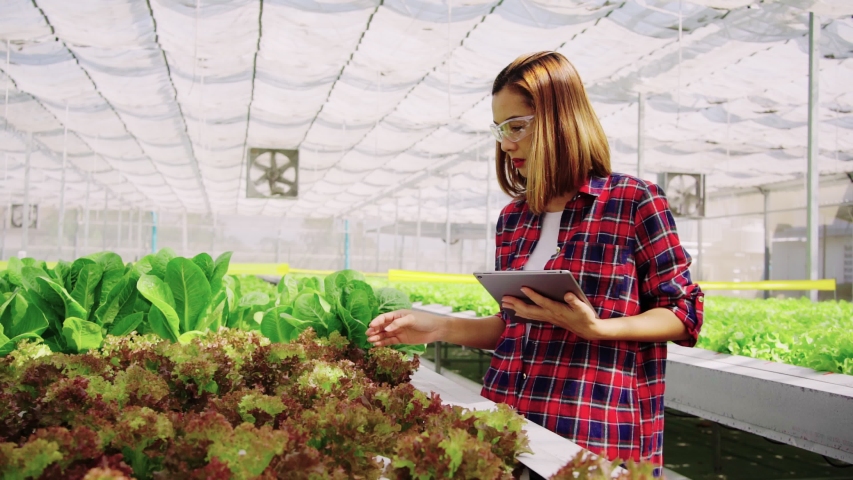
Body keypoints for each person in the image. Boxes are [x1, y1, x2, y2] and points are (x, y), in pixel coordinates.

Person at [366, 51, 704, 476]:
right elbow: (515, 327)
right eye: (499, 129)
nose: (505, 143)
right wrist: (438, 327)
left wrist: (599, 329)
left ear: (562, 120)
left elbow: (684, 312)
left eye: (517, 126)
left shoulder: (633, 202)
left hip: (592, 432)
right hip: (509, 426)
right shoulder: (513, 219)